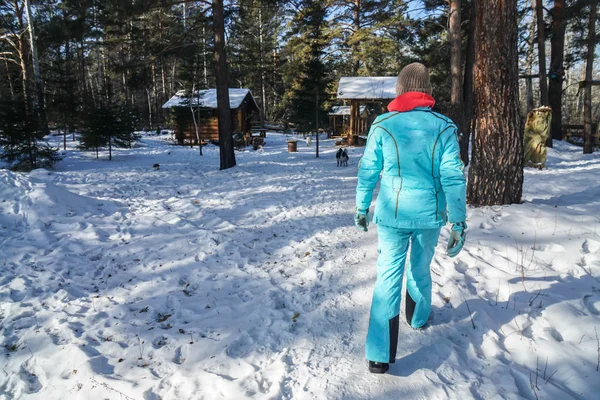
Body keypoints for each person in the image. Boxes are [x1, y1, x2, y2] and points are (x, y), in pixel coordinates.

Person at [354, 62, 467, 374]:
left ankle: (378, 355)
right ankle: (417, 318)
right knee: (420, 267)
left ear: (400, 90)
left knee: (388, 275)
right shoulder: (444, 126)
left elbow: (368, 171)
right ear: (427, 90)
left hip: (392, 214)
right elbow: (453, 176)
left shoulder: (383, 124)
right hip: (429, 216)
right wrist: (458, 221)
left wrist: (361, 207)